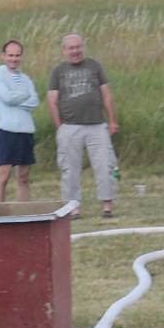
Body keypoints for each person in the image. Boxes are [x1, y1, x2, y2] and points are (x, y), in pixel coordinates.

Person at [47, 33, 119, 219]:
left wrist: (112, 120)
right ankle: (74, 208)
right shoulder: (58, 71)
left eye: (78, 47)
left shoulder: (95, 66)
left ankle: (107, 206)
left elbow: (106, 95)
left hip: (97, 125)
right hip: (70, 127)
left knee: (105, 165)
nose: (75, 51)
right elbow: (52, 101)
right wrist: (60, 127)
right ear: (65, 50)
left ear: (82, 47)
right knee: (70, 168)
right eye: (71, 48)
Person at [0, 40, 39, 202]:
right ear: (3, 56)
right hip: (7, 130)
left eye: (17, 55)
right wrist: (23, 95)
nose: (14, 59)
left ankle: (24, 215)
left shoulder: (25, 78)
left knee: (23, 177)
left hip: (25, 131)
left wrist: (17, 96)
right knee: (3, 176)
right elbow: (7, 98)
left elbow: (34, 102)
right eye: (10, 55)